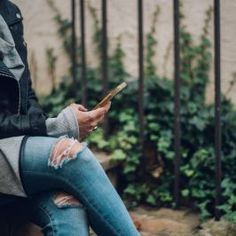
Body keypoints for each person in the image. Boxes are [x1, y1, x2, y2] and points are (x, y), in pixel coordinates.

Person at [0, 0, 140, 235]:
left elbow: (27, 97)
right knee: (71, 155)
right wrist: (56, 127)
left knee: (68, 206)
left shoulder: (9, 12)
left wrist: (51, 127)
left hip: (12, 147)